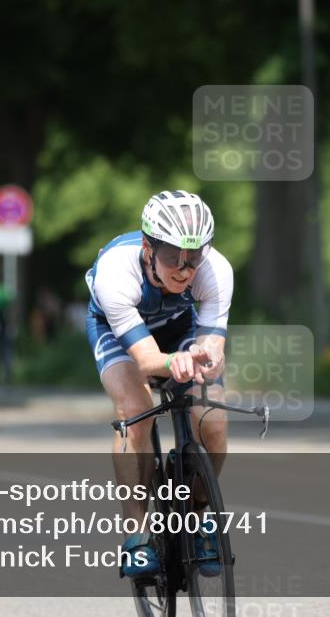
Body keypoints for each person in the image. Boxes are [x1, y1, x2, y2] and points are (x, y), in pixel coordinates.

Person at [84, 190, 231, 577]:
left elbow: (213, 343)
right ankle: (136, 535)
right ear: (148, 248)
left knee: (213, 420)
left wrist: (208, 357)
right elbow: (148, 360)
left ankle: (197, 516)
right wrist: (171, 362)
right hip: (118, 333)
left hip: (179, 327)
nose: (184, 269)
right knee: (136, 410)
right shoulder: (116, 271)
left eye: (193, 257)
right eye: (172, 257)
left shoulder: (216, 270)